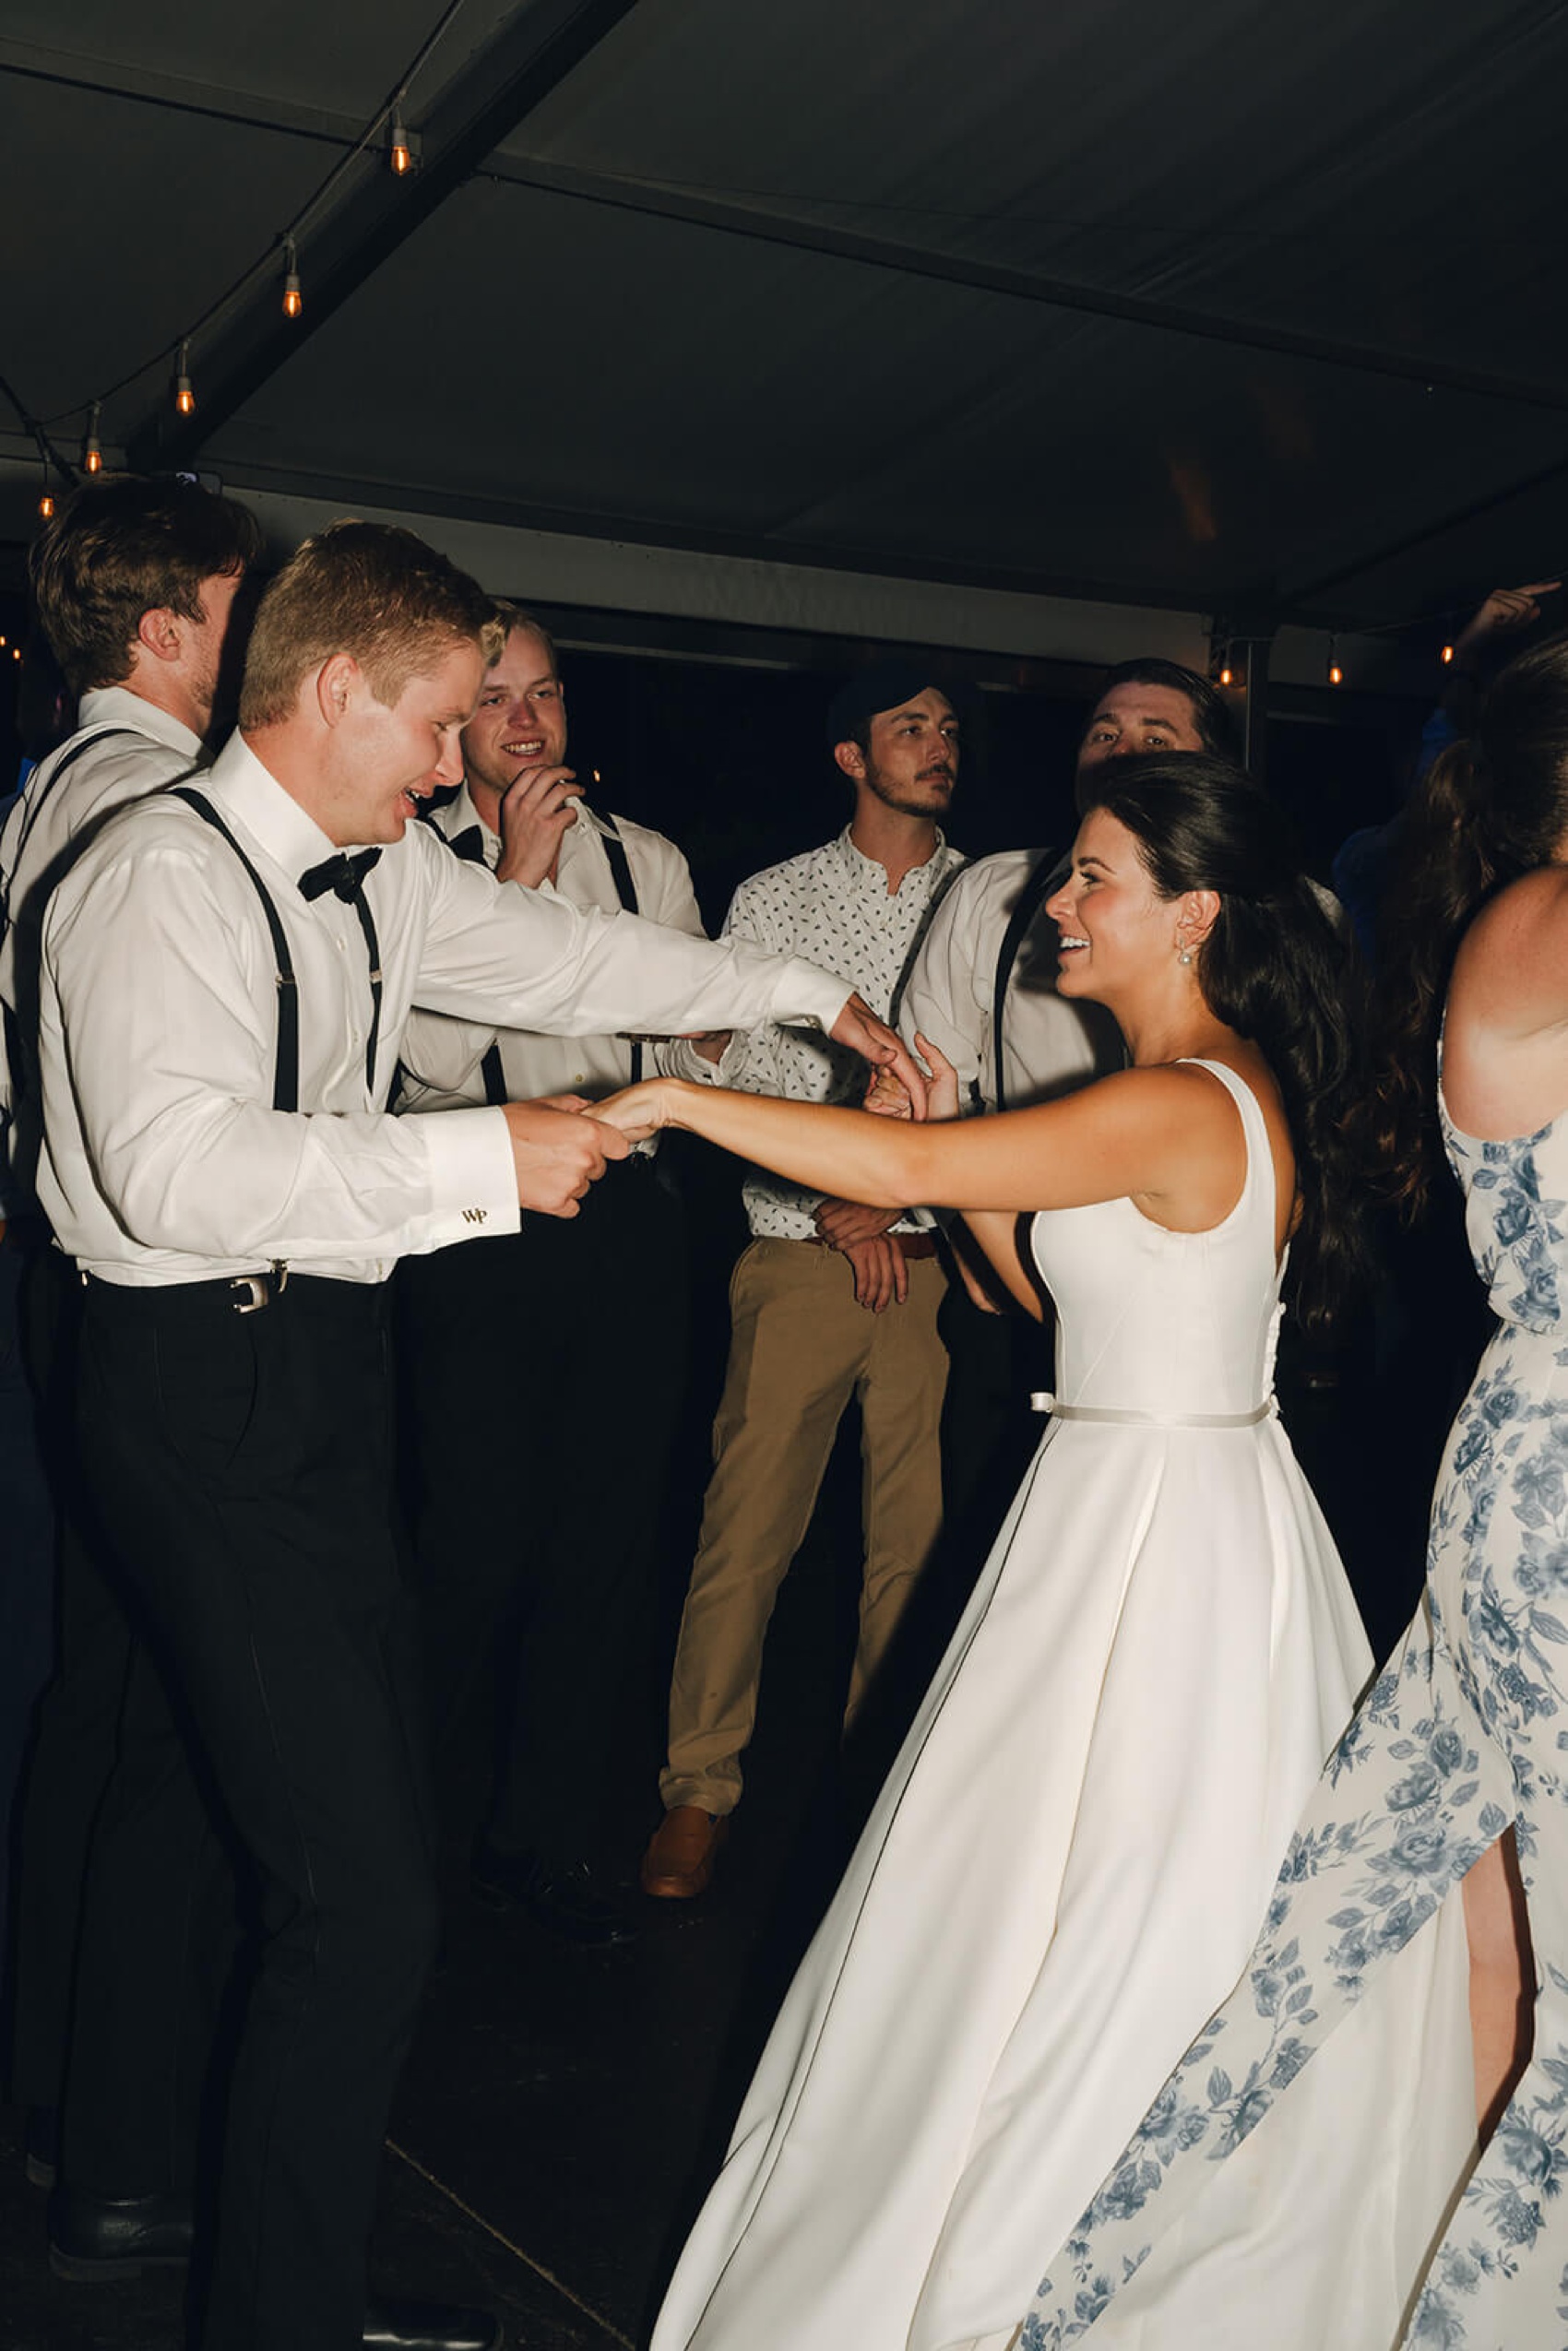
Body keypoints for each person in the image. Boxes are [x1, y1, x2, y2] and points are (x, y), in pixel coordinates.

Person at [31, 519, 921, 2351]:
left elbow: (569, 954)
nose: (457, 763)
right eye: (438, 721)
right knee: (360, 1897)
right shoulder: (157, 872)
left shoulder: (380, 871)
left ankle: (233, 2237)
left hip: (319, 1365)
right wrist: (480, 1159)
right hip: (202, 1379)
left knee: (332, 1871)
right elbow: (170, 1166)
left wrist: (800, 995)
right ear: (336, 688)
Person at [593, 755, 1431, 2351]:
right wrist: (952, 1136)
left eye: (1092, 877)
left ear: (1191, 912)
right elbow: (1044, 1307)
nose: (1056, 901)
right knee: (1052, 1880)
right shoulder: (1188, 1085)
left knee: (1111, 1889)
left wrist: (677, 1096)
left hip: (1158, 1531)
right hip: (1131, 1484)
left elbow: (906, 1183)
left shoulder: (1184, 1097)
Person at [1010, 639, 1568, 2351]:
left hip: (1520, 1486)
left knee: (1349, 1933)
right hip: (1548, 1500)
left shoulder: (1511, 919)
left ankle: (1103, 2281)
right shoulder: (1541, 916)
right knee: (1354, 1936)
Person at [1, 473, 264, 2194]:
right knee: (169, 1714)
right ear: (168, 630)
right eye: (245, 611)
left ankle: (54, 2101)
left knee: (97, 1700)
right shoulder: (162, 803)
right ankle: (124, 2155)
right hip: (146, 1282)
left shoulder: (46, 786)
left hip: (55, 1265)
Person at [396, 603, 728, 1944]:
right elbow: (413, 1067)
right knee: (469, 1547)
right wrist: (516, 894)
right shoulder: (407, 864)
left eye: (546, 694)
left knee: (604, 1550)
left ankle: (536, 1844)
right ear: (454, 722)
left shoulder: (651, 862)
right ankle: (396, 1841)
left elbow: (696, 1054)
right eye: (497, 699)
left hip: (630, 1225)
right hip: (476, 1222)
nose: (527, 720)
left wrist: (694, 1046)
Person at [637, 659, 965, 1903]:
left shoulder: (987, 901)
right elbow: (715, 1070)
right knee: (748, 1535)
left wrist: (895, 1194)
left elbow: (991, 1079)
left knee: (915, 1553)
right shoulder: (773, 899)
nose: (939, 743)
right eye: (910, 726)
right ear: (851, 756)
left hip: (933, 1261)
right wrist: (836, 1196)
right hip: (792, 1252)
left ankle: (884, 1805)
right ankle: (695, 1789)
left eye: (948, 728)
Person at [892, 659, 1229, 1545]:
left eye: (1156, 739)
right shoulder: (997, 891)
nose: (1122, 753)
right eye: (1105, 734)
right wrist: (969, 1241)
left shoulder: (1275, 914)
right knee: (990, 1549)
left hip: (1188, 1316)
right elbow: (934, 1079)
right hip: (1010, 1274)